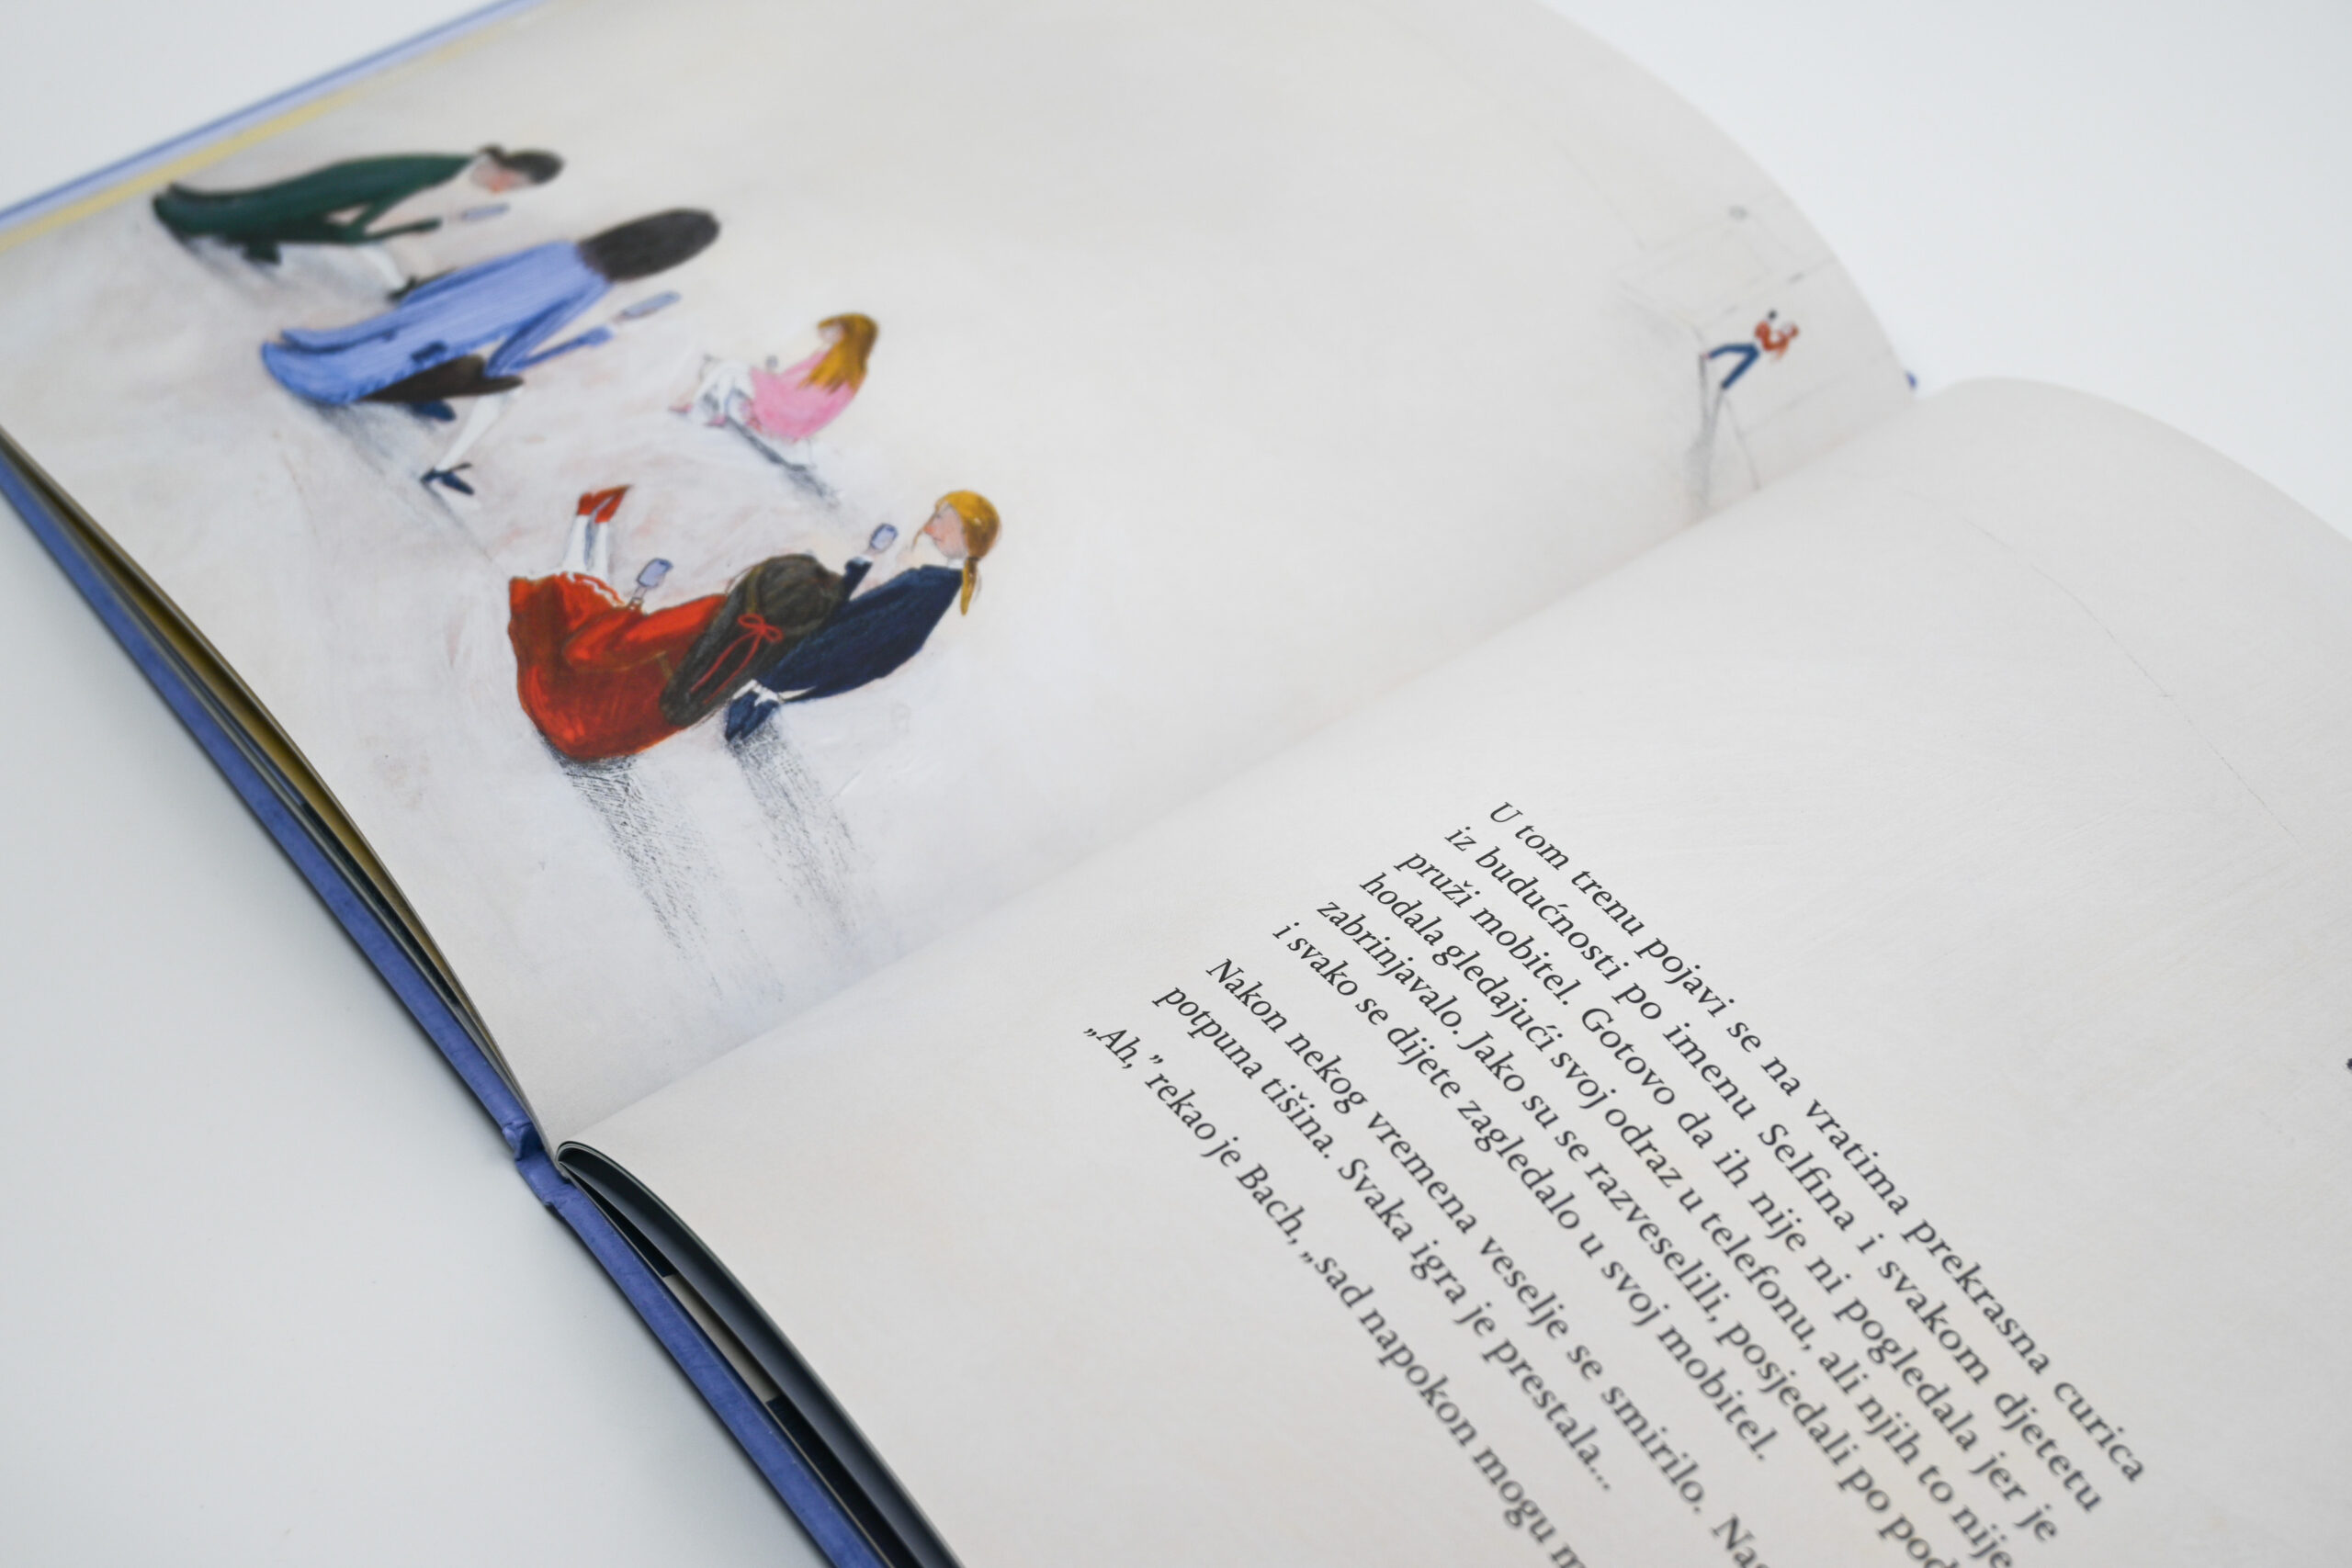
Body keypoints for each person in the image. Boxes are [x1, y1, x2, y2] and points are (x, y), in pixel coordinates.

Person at [260, 209, 719, 495]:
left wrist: (430, 293)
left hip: (441, 304)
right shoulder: (591, 287)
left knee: (387, 336)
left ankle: (314, 352)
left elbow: (483, 272)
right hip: (459, 332)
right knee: (398, 359)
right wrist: (517, 362)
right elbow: (529, 339)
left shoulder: (560, 250)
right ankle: (329, 380)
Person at [506, 487, 852, 763]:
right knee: (602, 611)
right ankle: (596, 521)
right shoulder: (769, 650)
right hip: (608, 743)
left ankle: (588, 518)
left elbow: (586, 652)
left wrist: (636, 601)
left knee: (569, 599)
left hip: (568, 716)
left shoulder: (713, 614)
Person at [724, 490, 1001, 742]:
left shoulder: (929, 587)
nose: (929, 528)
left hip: (804, 665)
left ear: (965, 533)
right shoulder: (931, 583)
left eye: (940, 519)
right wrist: (869, 556)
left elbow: (866, 635)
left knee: (738, 722)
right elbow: (860, 622)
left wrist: (807, 671)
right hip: (802, 668)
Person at [153, 146, 562, 278]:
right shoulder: (455, 169)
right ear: (507, 164)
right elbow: (399, 196)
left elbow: (438, 220)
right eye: (512, 178)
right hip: (358, 191)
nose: (506, 186)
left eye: (517, 188)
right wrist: (364, 227)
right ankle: (198, 219)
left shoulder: (482, 195)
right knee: (283, 201)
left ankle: (247, 233)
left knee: (301, 218)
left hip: (374, 216)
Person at [676, 313, 878, 495]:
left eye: (834, 330)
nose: (827, 334)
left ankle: (699, 406)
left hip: (782, 406)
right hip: (798, 421)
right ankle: (715, 409)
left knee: (730, 367)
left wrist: (769, 378)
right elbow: (826, 407)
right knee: (732, 370)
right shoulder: (857, 373)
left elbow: (789, 382)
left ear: (847, 335)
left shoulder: (827, 359)